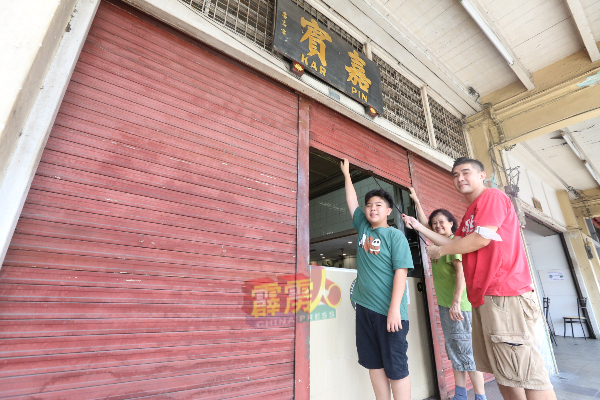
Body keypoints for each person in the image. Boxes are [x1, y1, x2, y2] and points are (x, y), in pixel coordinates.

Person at [402, 157, 556, 400]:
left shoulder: (491, 197)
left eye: (466, 172)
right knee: (504, 371)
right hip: (486, 299)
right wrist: (418, 227)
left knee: (528, 373)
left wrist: (441, 251)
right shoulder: (470, 215)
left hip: (505, 294)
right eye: (455, 175)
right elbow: (456, 242)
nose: (460, 178)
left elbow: (480, 240)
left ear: (482, 175)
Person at [341, 158, 414, 400]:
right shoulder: (363, 228)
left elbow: (401, 273)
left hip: (390, 312)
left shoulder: (395, 236)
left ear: (388, 210)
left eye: (379, 205)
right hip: (364, 310)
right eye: (370, 205)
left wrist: (394, 310)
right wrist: (347, 176)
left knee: (396, 367)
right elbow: (352, 203)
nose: (373, 209)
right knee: (374, 363)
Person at [410, 188, 486, 400]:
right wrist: (416, 199)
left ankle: (480, 396)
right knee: (455, 350)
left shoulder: (454, 244)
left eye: (442, 222)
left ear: (452, 223)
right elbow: (425, 226)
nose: (437, 226)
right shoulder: (440, 244)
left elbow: (461, 273)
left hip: (458, 306)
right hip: (448, 305)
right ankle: (460, 395)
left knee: (467, 353)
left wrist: (454, 303)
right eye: (435, 223)